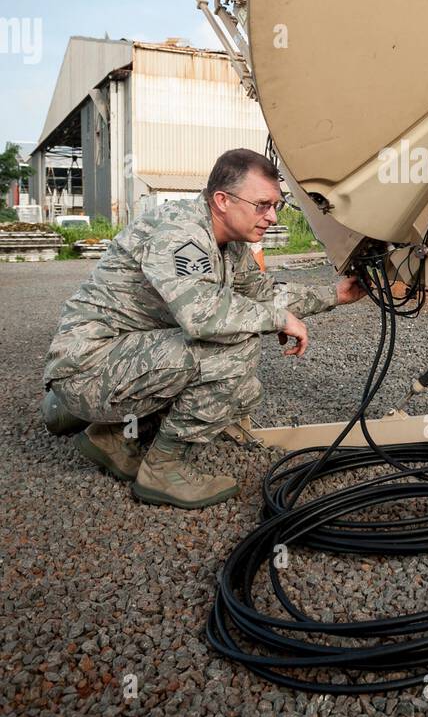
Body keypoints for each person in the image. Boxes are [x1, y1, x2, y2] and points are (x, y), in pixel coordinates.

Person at [41, 149, 365, 508]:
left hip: (117, 357)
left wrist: (334, 294)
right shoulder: (181, 232)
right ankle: (164, 468)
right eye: (262, 205)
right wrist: (277, 320)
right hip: (87, 367)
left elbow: (263, 295)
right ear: (222, 200)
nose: (272, 217)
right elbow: (203, 315)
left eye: (277, 205)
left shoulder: (230, 245)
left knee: (242, 377)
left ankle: (112, 437)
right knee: (233, 349)